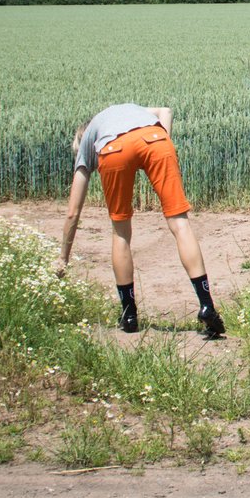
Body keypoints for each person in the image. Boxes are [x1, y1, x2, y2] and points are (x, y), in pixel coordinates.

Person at [60, 103, 225, 338]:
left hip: (114, 150)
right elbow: (166, 111)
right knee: (180, 224)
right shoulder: (127, 110)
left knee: (121, 233)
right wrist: (162, 150)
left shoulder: (89, 139)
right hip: (156, 138)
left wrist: (62, 259)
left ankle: (129, 315)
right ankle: (207, 305)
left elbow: (72, 212)